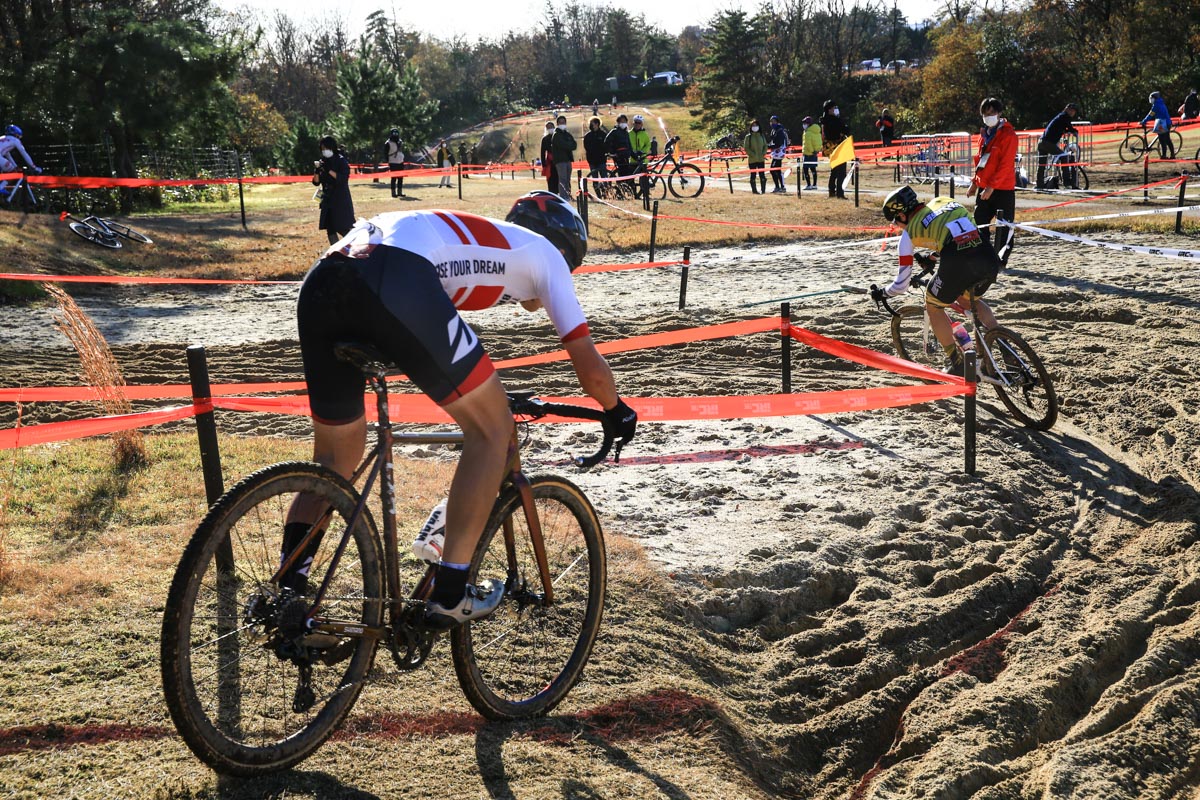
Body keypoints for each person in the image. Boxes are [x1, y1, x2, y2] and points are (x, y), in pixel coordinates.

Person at [285, 191, 638, 627]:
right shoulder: (546, 255)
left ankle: (286, 592)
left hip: (326, 275)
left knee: (334, 460)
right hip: (394, 275)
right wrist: (617, 409)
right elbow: (590, 366)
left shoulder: (481, 245)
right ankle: (450, 593)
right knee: (492, 431)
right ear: (565, 251)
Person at [872, 186, 1000, 376]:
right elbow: (963, 232)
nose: (898, 226)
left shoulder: (908, 234)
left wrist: (883, 293)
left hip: (958, 262)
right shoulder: (944, 201)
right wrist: (934, 256)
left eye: (896, 221)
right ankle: (1006, 348)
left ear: (902, 214)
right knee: (968, 301)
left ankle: (957, 363)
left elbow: (902, 284)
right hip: (987, 256)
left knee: (933, 305)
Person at [968, 97, 1017, 264]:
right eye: (985, 113)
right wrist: (975, 183)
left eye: (992, 112)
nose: (988, 116)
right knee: (980, 223)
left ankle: (1002, 258)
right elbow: (980, 162)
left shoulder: (1008, 135)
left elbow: (1005, 165)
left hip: (1002, 188)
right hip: (984, 187)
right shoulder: (984, 135)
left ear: (999, 113)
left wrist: (992, 187)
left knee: (1004, 226)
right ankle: (984, 256)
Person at [312, 135, 354, 245]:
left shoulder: (341, 160)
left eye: (326, 148)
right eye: (322, 149)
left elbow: (342, 178)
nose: (324, 151)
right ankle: (336, 250)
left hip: (340, 198)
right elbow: (316, 182)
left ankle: (354, 247)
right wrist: (317, 171)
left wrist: (328, 170)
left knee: (342, 227)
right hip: (327, 198)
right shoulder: (323, 161)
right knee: (330, 227)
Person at [1036, 103, 1078, 190]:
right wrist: (1074, 132)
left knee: (1042, 164)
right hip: (1048, 143)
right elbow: (1070, 128)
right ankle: (1067, 182)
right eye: (1072, 110)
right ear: (1068, 110)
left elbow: (1063, 128)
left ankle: (1039, 184)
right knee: (1064, 156)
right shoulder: (1064, 117)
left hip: (1041, 141)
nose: (1073, 113)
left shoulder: (1060, 117)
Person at [0, 124, 41, 200]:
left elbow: (7, 155)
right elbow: (24, 154)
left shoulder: (2, 138)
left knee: (3, 172)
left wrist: (15, 166)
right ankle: (1, 187)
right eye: (19, 136)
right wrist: (33, 166)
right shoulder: (15, 140)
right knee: (13, 173)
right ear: (16, 135)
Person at [820, 100, 849, 199]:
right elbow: (844, 130)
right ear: (829, 109)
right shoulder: (834, 120)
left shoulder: (824, 120)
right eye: (833, 108)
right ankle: (840, 193)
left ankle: (832, 191)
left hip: (830, 148)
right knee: (841, 171)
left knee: (834, 170)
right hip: (838, 147)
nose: (835, 110)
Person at [550, 114, 577, 200]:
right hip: (560, 160)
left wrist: (568, 145)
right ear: (557, 123)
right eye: (561, 122)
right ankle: (563, 197)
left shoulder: (567, 134)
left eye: (564, 122)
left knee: (567, 179)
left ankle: (568, 195)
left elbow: (574, 145)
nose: (563, 124)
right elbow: (563, 145)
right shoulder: (556, 135)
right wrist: (569, 145)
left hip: (568, 159)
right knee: (562, 179)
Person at [1142, 91, 1175, 159]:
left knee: (1162, 139)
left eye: (1151, 98)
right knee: (1166, 140)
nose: (1150, 100)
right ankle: (1171, 154)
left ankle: (1164, 155)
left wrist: (1143, 121)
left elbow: (1150, 115)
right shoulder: (1161, 103)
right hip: (1166, 123)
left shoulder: (1156, 105)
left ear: (1154, 98)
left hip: (1162, 123)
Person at [606, 113, 633, 191]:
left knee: (627, 174)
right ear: (618, 122)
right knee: (621, 174)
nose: (623, 123)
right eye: (621, 121)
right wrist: (612, 152)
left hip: (626, 156)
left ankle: (626, 190)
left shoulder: (626, 133)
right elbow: (607, 142)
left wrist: (634, 155)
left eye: (625, 121)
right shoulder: (614, 132)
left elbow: (629, 146)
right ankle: (619, 191)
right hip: (618, 156)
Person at [583, 115, 609, 191]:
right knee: (595, 179)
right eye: (590, 124)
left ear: (597, 124)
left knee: (604, 178)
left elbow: (606, 146)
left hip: (601, 160)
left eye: (593, 124)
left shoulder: (603, 135)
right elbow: (586, 147)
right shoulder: (587, 136)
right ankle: (598, 194)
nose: (591, 125)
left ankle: (606, 193)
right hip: (592, 161)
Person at [743, 118, 768, 195]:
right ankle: (754, 191)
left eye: (756, 125)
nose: (755, 127)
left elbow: (765, 146)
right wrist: (752, 154)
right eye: (753, 125)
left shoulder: (762, 135)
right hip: (752, 160)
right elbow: (746, 148)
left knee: (762, 175)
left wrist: (763, 153)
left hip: (761, 159)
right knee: (753, 176)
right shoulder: (748, 137)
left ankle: (763, 190)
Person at [768, 115, 789, 193]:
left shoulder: (780, 131)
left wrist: (769, 146)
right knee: (775, 170)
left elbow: (778, 144)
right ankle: (779, 186)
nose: (772, 123)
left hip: (779, 152)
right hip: (775, 152)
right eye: (771, 121)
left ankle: (781, 187)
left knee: (775, 170)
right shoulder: (774, 130)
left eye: (774, 121)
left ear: (777, 122)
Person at [801, 116, 820, 190]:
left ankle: (808, 185)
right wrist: (816, 150)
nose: (804, 125)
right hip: (814, 153)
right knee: (813, 169)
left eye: (805, 123)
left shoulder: (807, 133)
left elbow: (807, 144)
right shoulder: (816, 131)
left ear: (808, 124)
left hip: (808, 153)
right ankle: (814, 184)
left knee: (805, 169)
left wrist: (811, 151)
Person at [384, 128, 405, 197]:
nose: (395, 134)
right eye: (394, 133)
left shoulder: (400, 141)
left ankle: (400, 192)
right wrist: (388, 161)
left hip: (400, 161)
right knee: (393, 178)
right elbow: (385, 153)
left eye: (396, 133)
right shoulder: (388, 143)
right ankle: (393, 193)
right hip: (393, 162)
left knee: (400, 178)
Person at [540, 120, 556, 192]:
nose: (550, 128)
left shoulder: (558, 136)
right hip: (550, 162)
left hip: (559, 160)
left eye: (551, 127)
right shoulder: (545, 139)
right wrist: (543, 164)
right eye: (548, 127)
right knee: (550, 178)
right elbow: (542, 152)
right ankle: (552, 192)